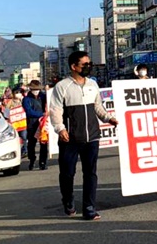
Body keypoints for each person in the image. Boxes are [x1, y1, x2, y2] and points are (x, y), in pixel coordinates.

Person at [50, 51, 118, 220]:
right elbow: (55, 110)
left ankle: (89, 208)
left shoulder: (93, 85)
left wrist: (108, 118)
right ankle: (68, 200)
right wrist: (60, 128)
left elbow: (98, 106)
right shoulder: (62, 86)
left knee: (90, 173)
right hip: (70, 138)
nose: (88, 67)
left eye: (90, 64)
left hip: (92, 137)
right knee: (67, 173)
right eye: (84, 65)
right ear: (74, 67)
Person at [22, 80, 48, 170]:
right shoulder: (26, 99)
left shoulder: (43, 96)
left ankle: (43, 162)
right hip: (32, 124)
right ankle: (32, 160)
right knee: (31, 144)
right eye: (34, 89)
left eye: (38, 89)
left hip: (43, 123)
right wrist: (42, 114)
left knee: (44, 143)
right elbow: (29, 112)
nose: (36, 90)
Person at [5, 88, 28, 157]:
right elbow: (6, 113)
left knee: (24, 137)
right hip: (14, 125)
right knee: (16, 138)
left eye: (19, 92)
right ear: (13, 94)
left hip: (23, 123)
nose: (18, 94)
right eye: (16, 92)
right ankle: (17, 152)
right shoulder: (10, 103)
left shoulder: (24, 100)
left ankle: (25, 150)